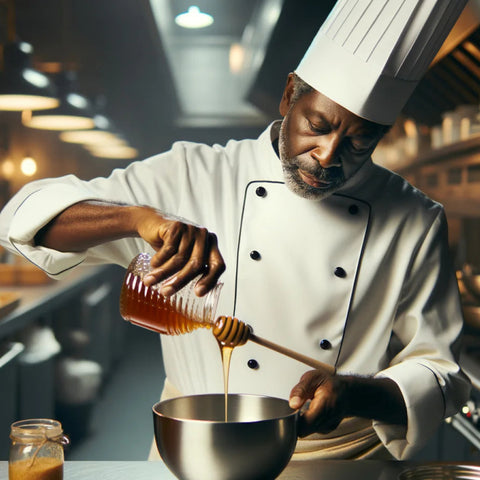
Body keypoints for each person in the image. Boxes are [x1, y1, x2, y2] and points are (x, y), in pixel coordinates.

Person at [0, 0, 471, 461]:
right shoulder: (193, 173)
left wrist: (356, 394)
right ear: (290, 95)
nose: (327, 155)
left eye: (358, 140)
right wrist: (135, 218)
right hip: (196, 452)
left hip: (341, 464)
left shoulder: (415, 219)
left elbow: (442, 372)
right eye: (317, 125)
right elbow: (22, 217)